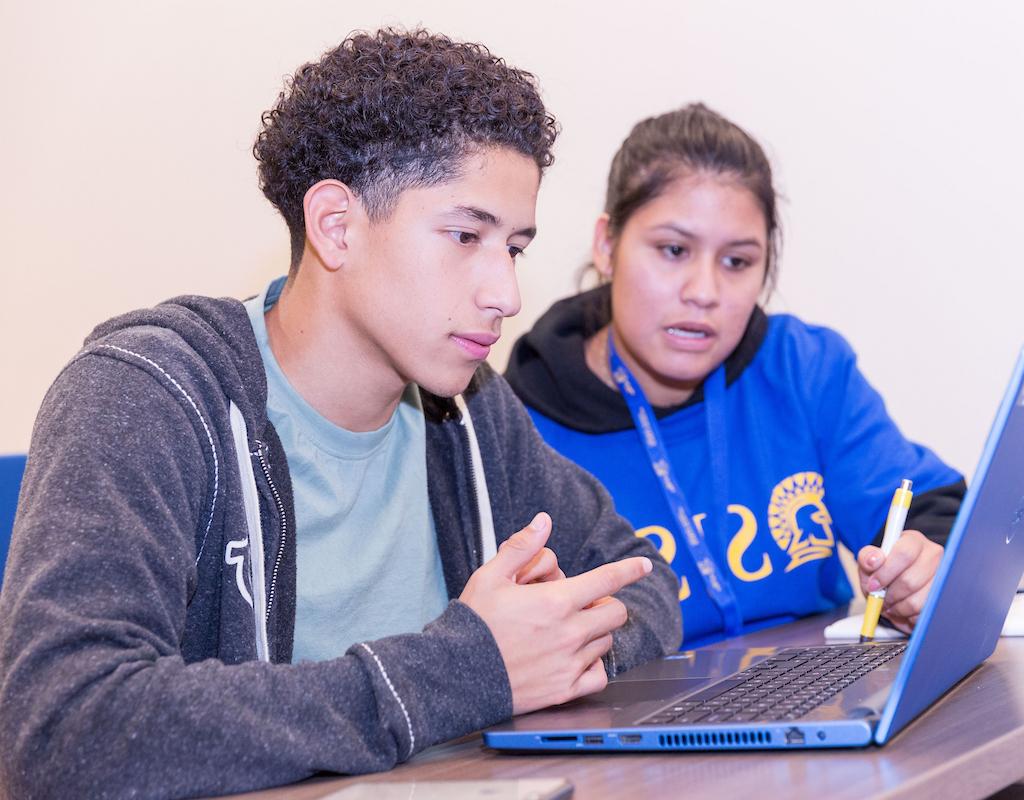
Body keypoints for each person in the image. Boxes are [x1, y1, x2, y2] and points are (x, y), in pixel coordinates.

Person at [0, 29, 681, 798]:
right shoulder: (146, 398)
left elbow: (645, 581)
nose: (506, 295)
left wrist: (548, 650)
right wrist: (470, 670)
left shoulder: (470, 413)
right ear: (335, 226)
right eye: (465, 236)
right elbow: (61, 728)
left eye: (514, 248)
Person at [505, 103, 966, 648]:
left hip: (820, 705)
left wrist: (921, 570)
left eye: (737, 262)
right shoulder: (517, 428)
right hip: (639, 722)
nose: (704, 291)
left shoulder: (803, 368)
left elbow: (934, 510)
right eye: (673, 250)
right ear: (607, 245)